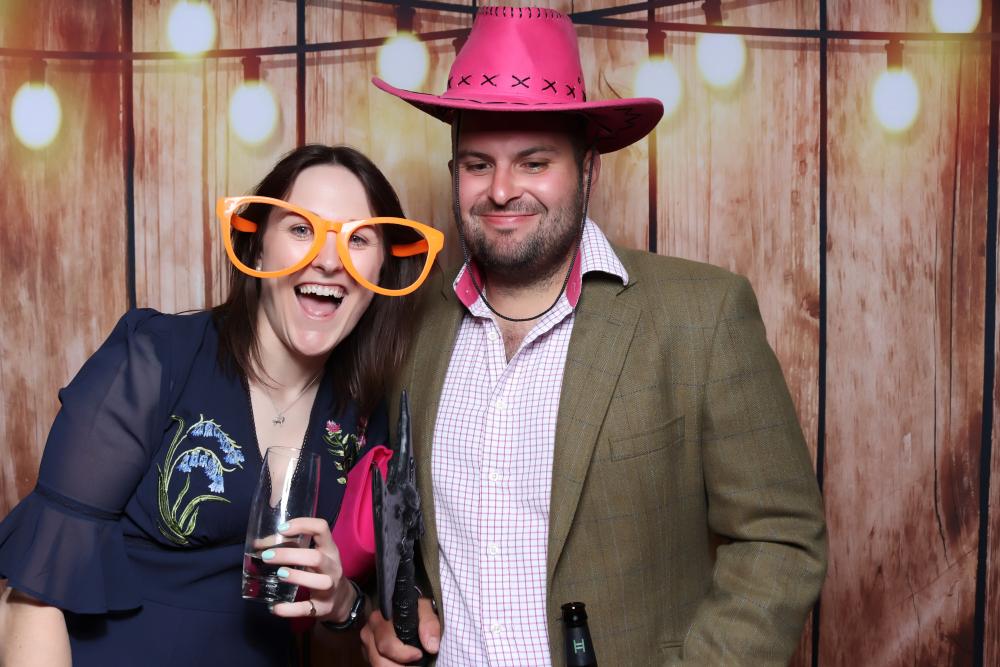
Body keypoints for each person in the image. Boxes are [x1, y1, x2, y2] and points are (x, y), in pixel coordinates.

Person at [361, 7, 827, 666]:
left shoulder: (701, 315)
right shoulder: (413, 322)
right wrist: (391, 610)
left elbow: (781, 536)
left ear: (588, 170)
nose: (501, 190)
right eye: (477, 164)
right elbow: (398, 527)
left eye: (533, 162)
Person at [0, 144, 443, 666]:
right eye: (301, 229)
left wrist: (341, 600)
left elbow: (360, 612)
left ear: (382, 270)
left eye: (358, 239)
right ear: (256, 248)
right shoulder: (156, 360)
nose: (329, 260)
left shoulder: (364, 416)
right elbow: (33, 599)